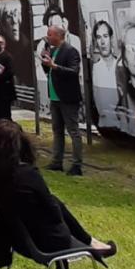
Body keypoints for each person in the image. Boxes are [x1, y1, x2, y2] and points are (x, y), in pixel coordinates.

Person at [0, 119, 115, 269]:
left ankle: (89, 244)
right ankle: (90, 243)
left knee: (53, 202)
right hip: (48, 244)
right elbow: (53, 214)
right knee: (54, 207)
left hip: (16, 240)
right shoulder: (27, 175)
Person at [40, 23, 85, 176]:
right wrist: (45, 61)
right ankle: (56, 162)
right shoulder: (53, 50)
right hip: (55, 97)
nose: (48, 36)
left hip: (68, 98)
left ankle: (77, 164)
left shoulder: (71, 51)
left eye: (50, 34)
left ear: (59, 35)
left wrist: (54, 65)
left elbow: (74, 71)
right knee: (57, 131)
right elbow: (49, 70)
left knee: (73, 131)